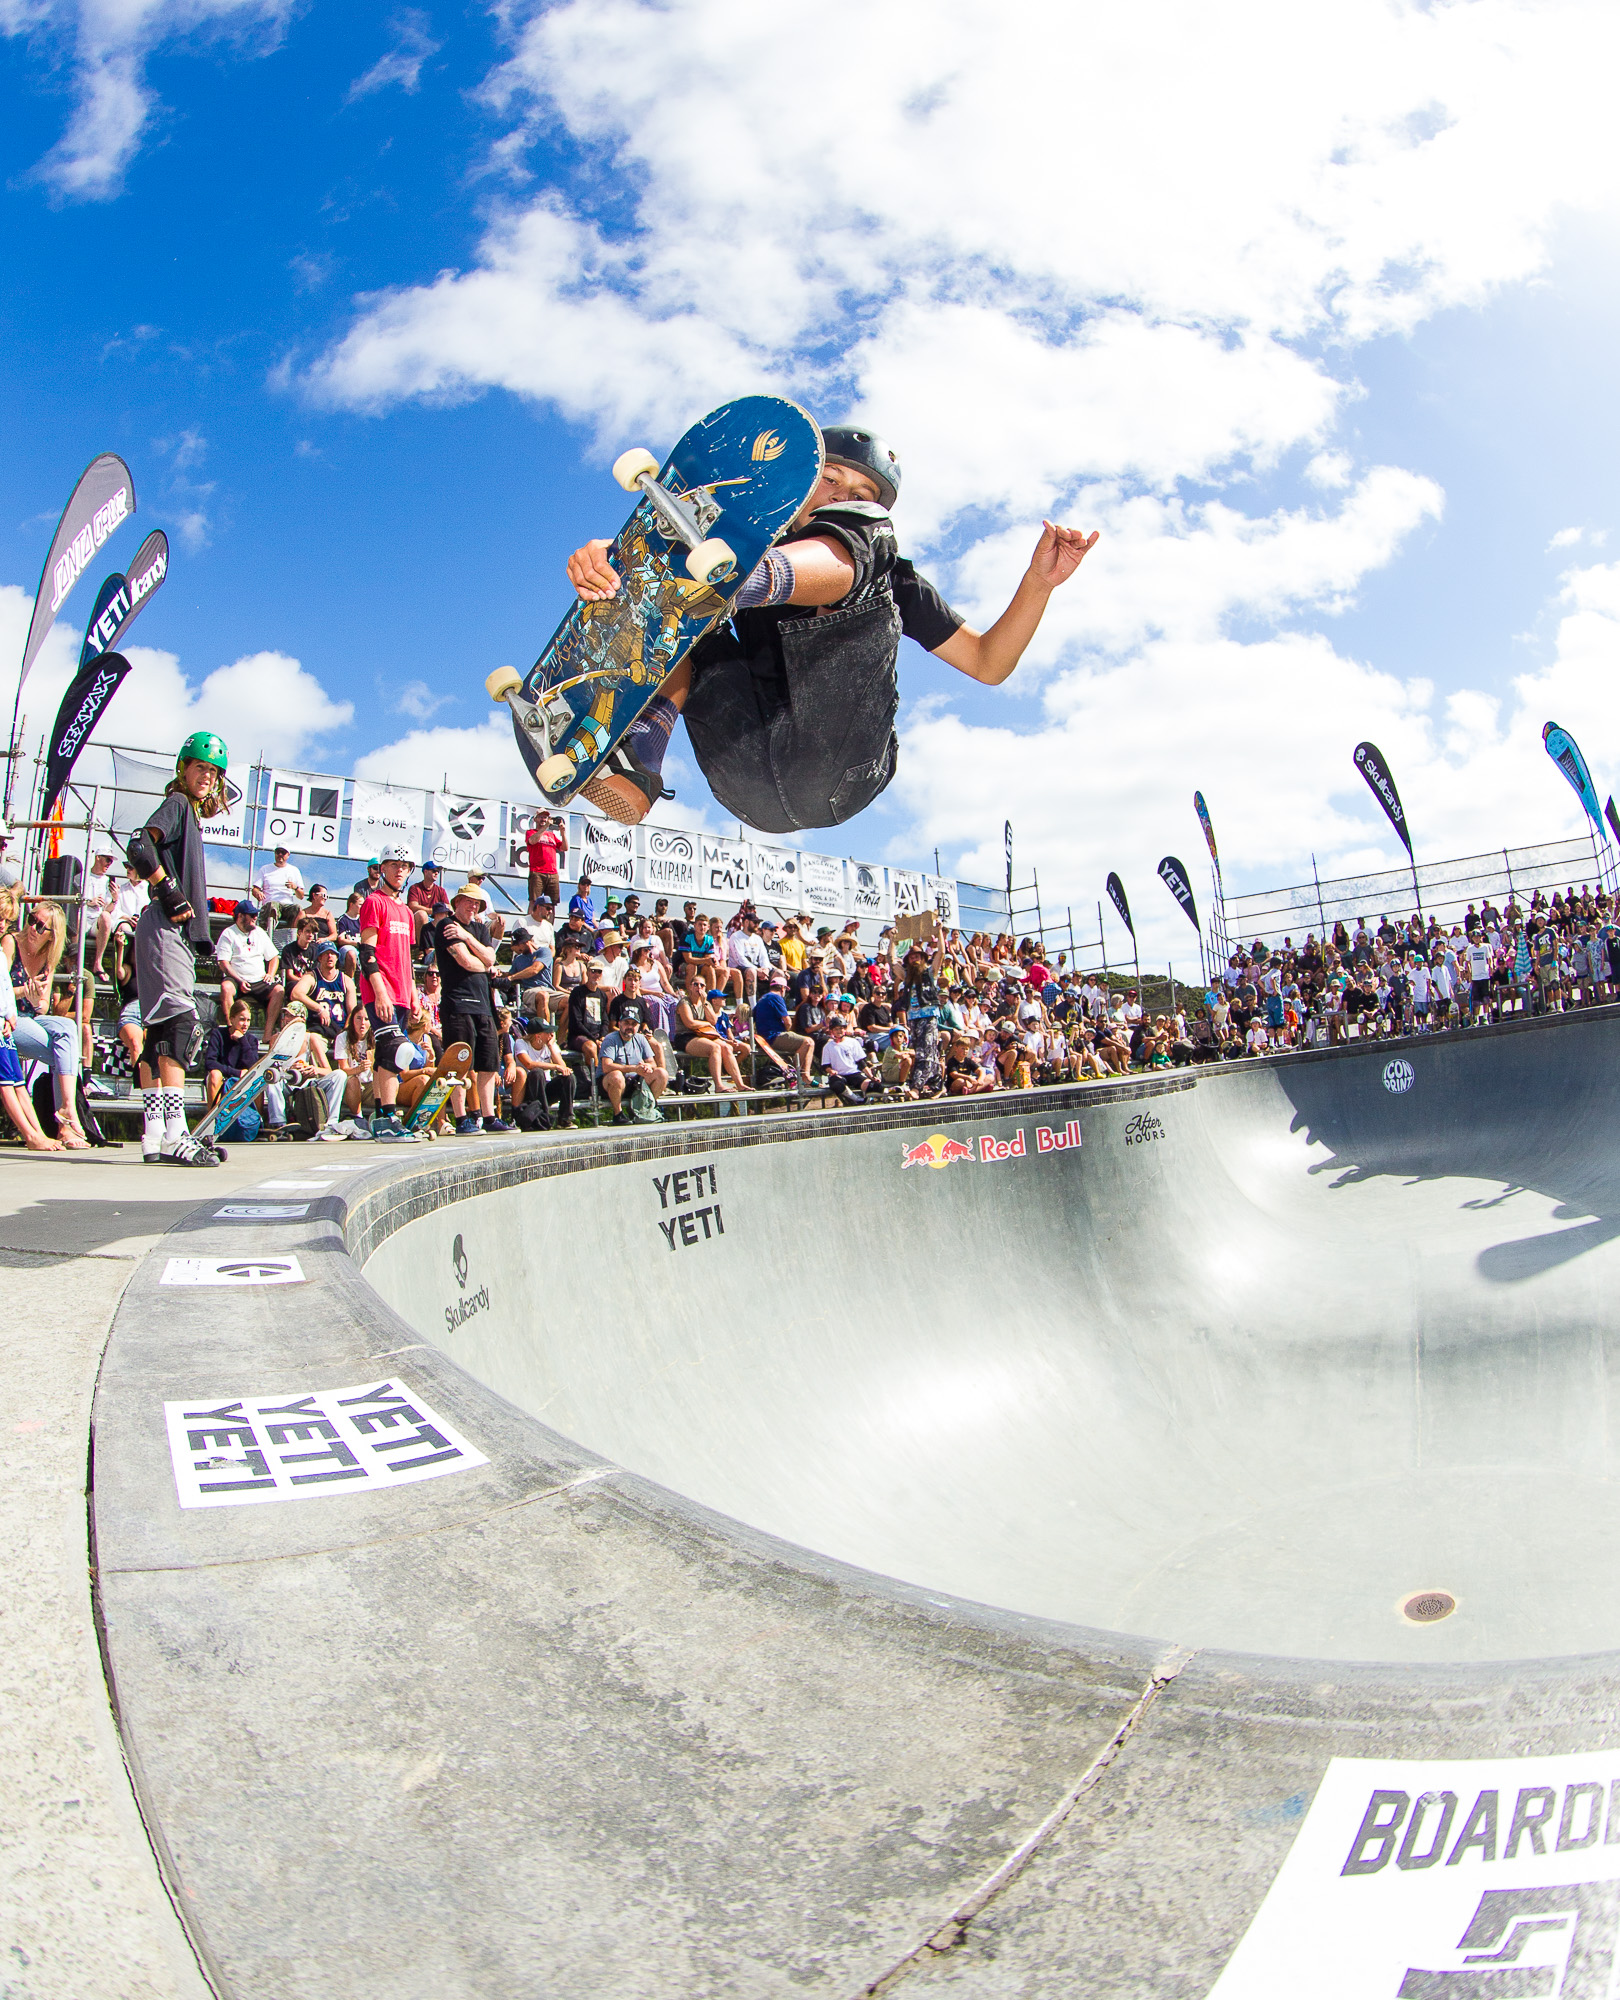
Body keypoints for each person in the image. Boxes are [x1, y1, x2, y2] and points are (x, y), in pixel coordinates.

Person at [563, 424, 1098, 827]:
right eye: (831, 479)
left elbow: (988, 663)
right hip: (743, 771)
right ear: (800, 483)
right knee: (683, 614)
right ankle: (637, 760)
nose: (843, 496)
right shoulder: (726, 542)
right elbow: (648, 572)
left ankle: (743, 582)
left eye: (862, 494)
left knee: (861, 549)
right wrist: (614, 558)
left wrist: (1039, 583)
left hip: (838, 768)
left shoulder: (891, 573)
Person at [125, 730, 231, 1165]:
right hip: (165, 925)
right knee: (181, 1025)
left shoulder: (188, 811)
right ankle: (176, 1134)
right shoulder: (178, 804)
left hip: (166, 930)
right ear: (183, 768)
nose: (207, 776)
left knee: (158, 1037)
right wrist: (167, 888)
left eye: (213, 771)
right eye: (200, 767)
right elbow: (139, 844)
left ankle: (153, 1135)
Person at [5, 898, 93, 1147]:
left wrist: (36, 1000)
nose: (32, 927)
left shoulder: (48, 957)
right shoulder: (11, 942)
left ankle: (67, 1112)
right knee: (63, 1052)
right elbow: (2, 992)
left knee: (67, 1028)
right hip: (10, 1017)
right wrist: (24, 992)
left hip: (31, 1017)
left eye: (40, 925)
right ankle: (65, 1121)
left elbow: (43, 1006)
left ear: (52, 934)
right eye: (31, 919)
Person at [430, 880, 510, 1136]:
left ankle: (489, 1117)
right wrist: (485, 964)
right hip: (458, 1003)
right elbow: (466, 961)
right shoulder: (446, 925)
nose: (473, 907)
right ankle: (462, 1118)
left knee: (488, 1063)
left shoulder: (478, 929)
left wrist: (466, 937)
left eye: (477, 903)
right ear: (457, 902)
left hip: (484, 1004)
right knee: (459, 1063)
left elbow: (491, 956)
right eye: (468, 901)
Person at [357, 844, 423, 1141]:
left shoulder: (407, 912)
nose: (400, 870)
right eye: (394, 864)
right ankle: (387, 1118)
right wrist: (380, 992)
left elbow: (406, 959)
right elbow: (367, 953)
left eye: (405, 866)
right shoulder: (374, 902)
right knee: (397, 1052)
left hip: (401, 992)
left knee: (388, 1055)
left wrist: (413, 994)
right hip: (380, 990)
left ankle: (383, 1118)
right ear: (382, 868)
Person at [215, 902, 280, 1024]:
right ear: (240, 916)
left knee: (279, 990)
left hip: (259, 980)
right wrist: (239, 980)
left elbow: (274, 957)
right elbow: (223, 963)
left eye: (256, 915)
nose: (255, 918)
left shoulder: (259, 932)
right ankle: (232, 1028)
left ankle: (268, 1032)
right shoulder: (228, 933)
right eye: (252, 915)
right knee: (226, 987)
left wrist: (270, 974)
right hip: (236, 979)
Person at [598, 1014, 668, 1123]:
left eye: (634, 1024)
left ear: (638, 1026)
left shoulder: (641, 1038)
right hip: (611, 1084)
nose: (630, 1027)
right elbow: (606, 1066)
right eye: (626, 1023)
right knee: (616, 1076)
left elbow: (652, 1063)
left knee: (661, 1073)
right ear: (619, 1024)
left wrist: (647, 1067)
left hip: (635, 1082)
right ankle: (618, 1114)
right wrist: (634, 1068)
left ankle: (645, 1110)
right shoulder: (610, 1039)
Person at [512, 1015, 576, 1128]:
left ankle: (565, 1118)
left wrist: (551, 1047)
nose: (551, 1034)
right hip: (529, 1088)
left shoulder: (550, 1044)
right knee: (537, 1072)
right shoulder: (521, 1043)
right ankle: (543, 1117)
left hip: (545, 1087)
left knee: (568, 1077)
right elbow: (529, 1064)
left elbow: (563, 1067)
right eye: (548, 1032)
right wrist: (554, 1067)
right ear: (538, 1036)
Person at [523, 811, 568, 908]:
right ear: (535, 819)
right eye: (541, 817)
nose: (543, 819)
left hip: (552, 873)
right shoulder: (530, 832)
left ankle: (550, 919)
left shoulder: (551, 835)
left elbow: (564, 848)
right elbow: (532, 841)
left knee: (552, 904)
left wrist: (563, 832)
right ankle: (531, 918)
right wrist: (545, 827)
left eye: (545, 817)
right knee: (534, 902)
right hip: (537, 872)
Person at [253, 844, 305, 923]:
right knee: (272, 906)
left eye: (283, 852)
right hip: (271, 903)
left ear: (288, 855)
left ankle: (293, 931)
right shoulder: (265, 869)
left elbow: (301, 896)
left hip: (287, 905)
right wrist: (258, 893)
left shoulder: (294, 870)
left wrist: (295, 887)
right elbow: (255, 889)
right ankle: (270, 929)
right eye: (278, 852)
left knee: (299, 910)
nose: (280, 854)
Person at [407, 862, 448, 942]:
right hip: (419, 919)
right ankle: (422, 946)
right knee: (421, 915)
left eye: (438, 871)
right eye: (434, 871)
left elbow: (447, 907)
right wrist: (432, 911)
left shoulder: (441, 890)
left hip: (436, 919)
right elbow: (413, 906)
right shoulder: (415, 888)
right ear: (425, 872)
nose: (436, 873)